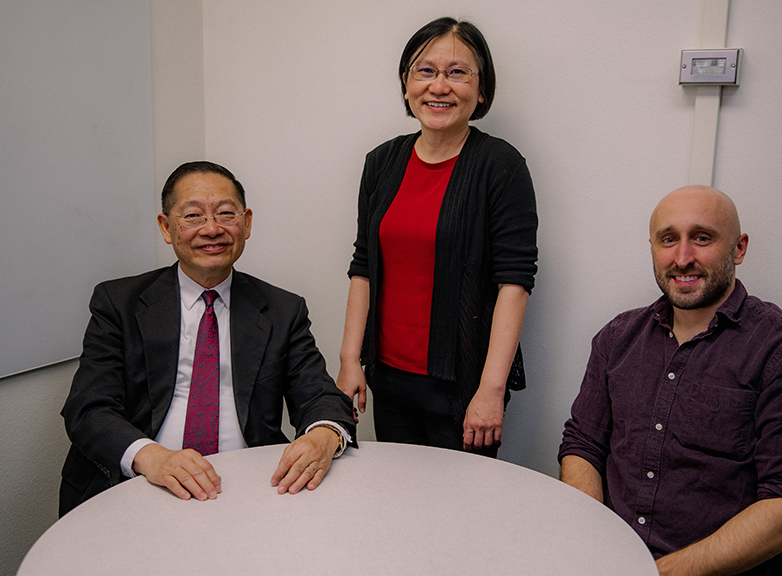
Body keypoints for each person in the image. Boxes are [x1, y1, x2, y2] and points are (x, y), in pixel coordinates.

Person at [558, 185, 782, 576]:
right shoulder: (617, 337)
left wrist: (654, 573)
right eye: (669, 239)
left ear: (739, 249)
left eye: (702, 238)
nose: (683, 258)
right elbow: (583, 445)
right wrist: (592, 541)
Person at [61, 161, 355, 516]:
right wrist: (151, 458)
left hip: (249, 486)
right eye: (193, 216)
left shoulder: (282, 309)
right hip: (140, 484)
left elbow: (320, 397)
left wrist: (324, 436)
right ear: (166, 227)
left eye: (226, 213)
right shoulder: (118, 303)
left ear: (246, 224)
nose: (212, 229)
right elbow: (88, 408)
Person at [336, 17, 538, 456]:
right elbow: (363, 266)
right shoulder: (381, 163)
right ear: (406, 86)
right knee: (398, 505)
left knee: (459, 515)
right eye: (424, 71)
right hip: (387, 379)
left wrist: (489, 391)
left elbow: (515, 283)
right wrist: (350, 359)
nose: (439, 86)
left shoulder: (500, 166)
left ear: (481, 90)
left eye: (457, 72)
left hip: (464, 386)